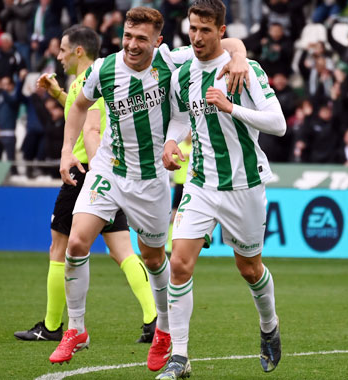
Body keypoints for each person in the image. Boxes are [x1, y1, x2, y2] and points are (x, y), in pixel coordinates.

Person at [52, 7, 250, 369]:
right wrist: (67, 151)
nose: (132, 44)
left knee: (155, 258)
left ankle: (163, 329)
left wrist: (239, 57)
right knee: (77, 241)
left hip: (151, 180)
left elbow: (228, 42)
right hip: (109, 169)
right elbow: (79, 105)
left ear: (157, 41)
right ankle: (76, 329)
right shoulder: (105, 69)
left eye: (141, 38)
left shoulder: (170, 61)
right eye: (127, 36)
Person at [159, 0, 284, 377]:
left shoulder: (243, 70)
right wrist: (171, 142)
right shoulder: (182, 68)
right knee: (179, 262)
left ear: (221, 32)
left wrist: (231, 108)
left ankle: (269, 326)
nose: (197, 37)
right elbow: (182, 115)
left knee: (249, 267)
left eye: (205, 30)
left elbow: (277, 123)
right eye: (192, 28)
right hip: (200, 182)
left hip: (244, 184)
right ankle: (179, 357)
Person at [12, 25, 158, 346]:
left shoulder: (90, 79)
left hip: (85, 173)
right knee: (122, 250)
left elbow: (89, 128)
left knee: (59, 248)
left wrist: (92, 172)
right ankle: (152, 317)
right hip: (111, 174)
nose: (59, 56)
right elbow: (85, 113)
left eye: (63, 50)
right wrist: (58, 95)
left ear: (79, 51)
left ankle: (52, 326)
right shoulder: (107, 75)